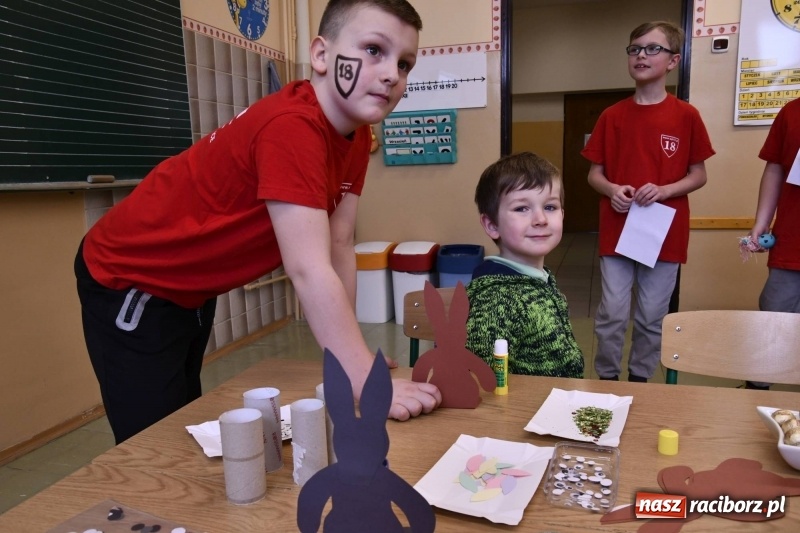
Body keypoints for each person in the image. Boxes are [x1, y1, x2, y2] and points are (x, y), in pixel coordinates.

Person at [74, 0, 441, 444]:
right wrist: (365, 378)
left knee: (180, 415)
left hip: (190, 287)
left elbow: (339, 243)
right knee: (151, 440)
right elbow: (309, 269)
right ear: (321, 55)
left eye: (404, 64)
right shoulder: (292, 126)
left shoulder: (358, 136)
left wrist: (351, 360)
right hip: (131, 276)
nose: (392, 74)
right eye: (374, 50)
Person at [582, 21, 715, 383]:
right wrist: (612, 189)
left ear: (673, 61)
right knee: (612, 312)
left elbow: (699, 174)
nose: (641, 55)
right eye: (635, 49)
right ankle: (607, 380)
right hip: (618, 229)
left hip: (664, 232)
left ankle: (640, 381)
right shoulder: (612, 116)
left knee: (651, 316)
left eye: (652, 48)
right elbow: (594, 175)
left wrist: (665, 190)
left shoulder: (686, 115)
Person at [465, 152, 584, 378]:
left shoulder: (538, 278)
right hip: (531, 401)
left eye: (550, 207)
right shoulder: (497, 298)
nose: (541, 219)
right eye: (522, 208)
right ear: (492, 225)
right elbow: (479, 380)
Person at [745, 96, 800, 390]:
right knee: (771, 330)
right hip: (792, 244)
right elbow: (775, 168)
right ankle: (756, 396)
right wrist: (761, 221)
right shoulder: (791, 112)